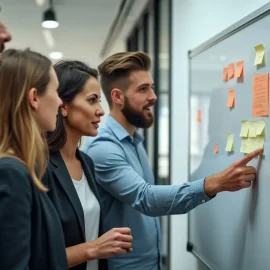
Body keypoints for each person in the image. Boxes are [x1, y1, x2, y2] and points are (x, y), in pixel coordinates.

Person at [83, 51, 263, 270]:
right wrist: (215, 183)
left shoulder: (135, 141)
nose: (153, 96)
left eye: (151, 86)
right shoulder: (103, 148)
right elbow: (146, 198)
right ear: (118, 97)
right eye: (143, 89)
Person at [44, 60, 133, 270]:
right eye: (92, 100)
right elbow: (38, 256)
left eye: (99, 101)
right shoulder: (40, 167)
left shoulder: (87, 163)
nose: (101, 111)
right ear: (63, 106)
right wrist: (94, 248)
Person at [0, 49, 68, 269]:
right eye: (56, 91)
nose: (59, 102)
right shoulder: (12, 172)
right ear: (34, 97)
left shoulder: (24, 167)